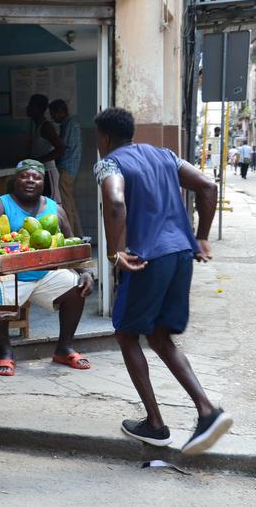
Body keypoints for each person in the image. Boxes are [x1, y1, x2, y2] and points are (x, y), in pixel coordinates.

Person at [93, 107, 232, 455]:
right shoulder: (166, 155)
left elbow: (115, 200)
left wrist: (116, 251)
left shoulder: (109, 163)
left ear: (105, 138)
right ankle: (206, 411)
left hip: (146, 258)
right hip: (181, 254)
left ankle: (155, 423)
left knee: (126, 334)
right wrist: (201, 236)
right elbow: (207, 186)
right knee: (158, 335)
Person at [0, 159, 94, 376]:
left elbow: (72, 244)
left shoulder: (55, 209)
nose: (30, 181)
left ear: (44, 182)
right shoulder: (0, 206)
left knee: (78, 285)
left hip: (45, 276)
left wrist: (85, 272)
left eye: (36, 177)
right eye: (25, 176)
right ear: (16, 180)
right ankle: (6, 352)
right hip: (10, 278)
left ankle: (64, 348)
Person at [49, 99, 84, 237]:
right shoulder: (70, 123)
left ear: (62, 111)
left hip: (67, 168)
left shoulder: (70, 124)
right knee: (71, 203)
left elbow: (62, 149)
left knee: (67, 205)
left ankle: (71, 236)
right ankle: (78, 235)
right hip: (70, 168)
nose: (52, 117)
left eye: (53, 114)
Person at [26, 94, 65, 202]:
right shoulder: (36, 125)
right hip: (40, 172)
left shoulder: (46, 127)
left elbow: (61, 149)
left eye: (31, 105)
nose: (27, 108)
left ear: (39, 109)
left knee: (52, 206)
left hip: (48, 173)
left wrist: (39, 161)